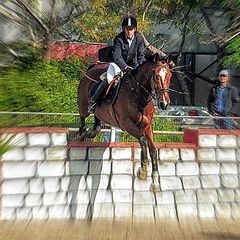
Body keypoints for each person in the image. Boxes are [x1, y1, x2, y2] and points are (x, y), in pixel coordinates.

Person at [88, 15, 146, 113]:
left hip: (133, 66)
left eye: (131, 29)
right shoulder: (119, 39)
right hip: (118, 65)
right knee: (109, 79)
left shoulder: (139, 38)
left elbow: (141, 55)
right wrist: (125, 67)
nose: (129, 32)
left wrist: (140, 68)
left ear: (135, 29)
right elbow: (117, 57)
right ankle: (93, 101)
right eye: (127, 29)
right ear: (124, 29)